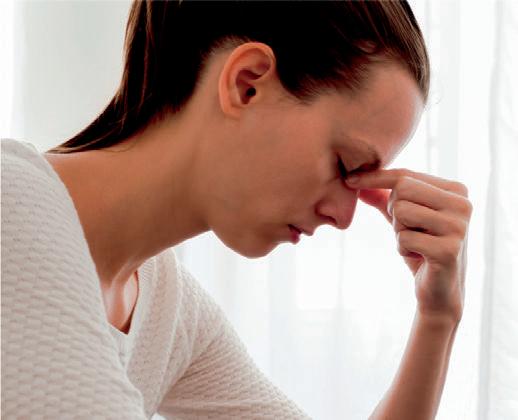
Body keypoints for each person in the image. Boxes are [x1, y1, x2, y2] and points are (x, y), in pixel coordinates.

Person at [1, 1, 472, 418]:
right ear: (247, 84)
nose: (344, 217)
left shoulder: (166, 307)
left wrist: (438, 316)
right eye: (346, 165)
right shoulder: (14, 207)